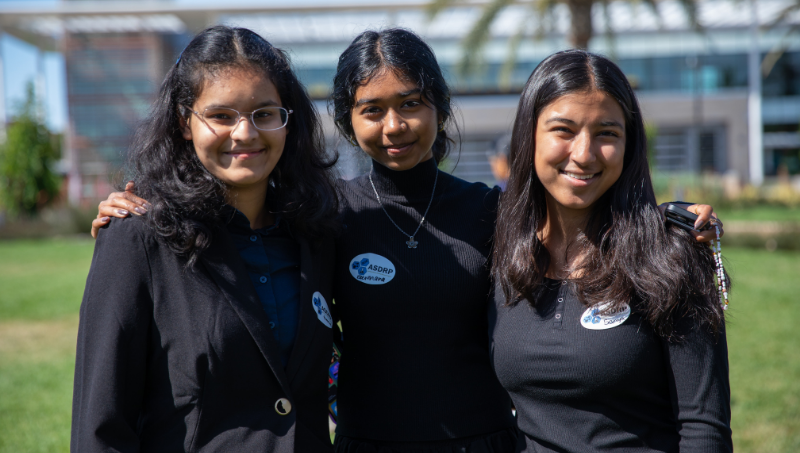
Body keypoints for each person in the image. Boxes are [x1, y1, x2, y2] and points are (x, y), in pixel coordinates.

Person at [89, 30, 723, 452]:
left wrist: (667, 217)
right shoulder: (322, 219)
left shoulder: (493, 214)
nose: (394, 125)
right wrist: (139, 203)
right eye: (371, 109)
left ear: (438, 108)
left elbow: (576, 216)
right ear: (346, 120)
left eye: (412, 103)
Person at [72, 26, 339, 453]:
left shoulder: (318, 233)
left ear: (288, 120)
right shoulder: (137, 237)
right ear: (184, 122)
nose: (245, 133)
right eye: (221, 116)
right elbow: (101, 426)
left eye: (265, 113)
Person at [490, 49, 733, 452]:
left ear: (628, 145)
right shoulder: (498, 253)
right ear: (528, 135)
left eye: (607, 133)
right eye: (563, 130)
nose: (583, 154)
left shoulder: (671, 255)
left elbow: (704, 429)